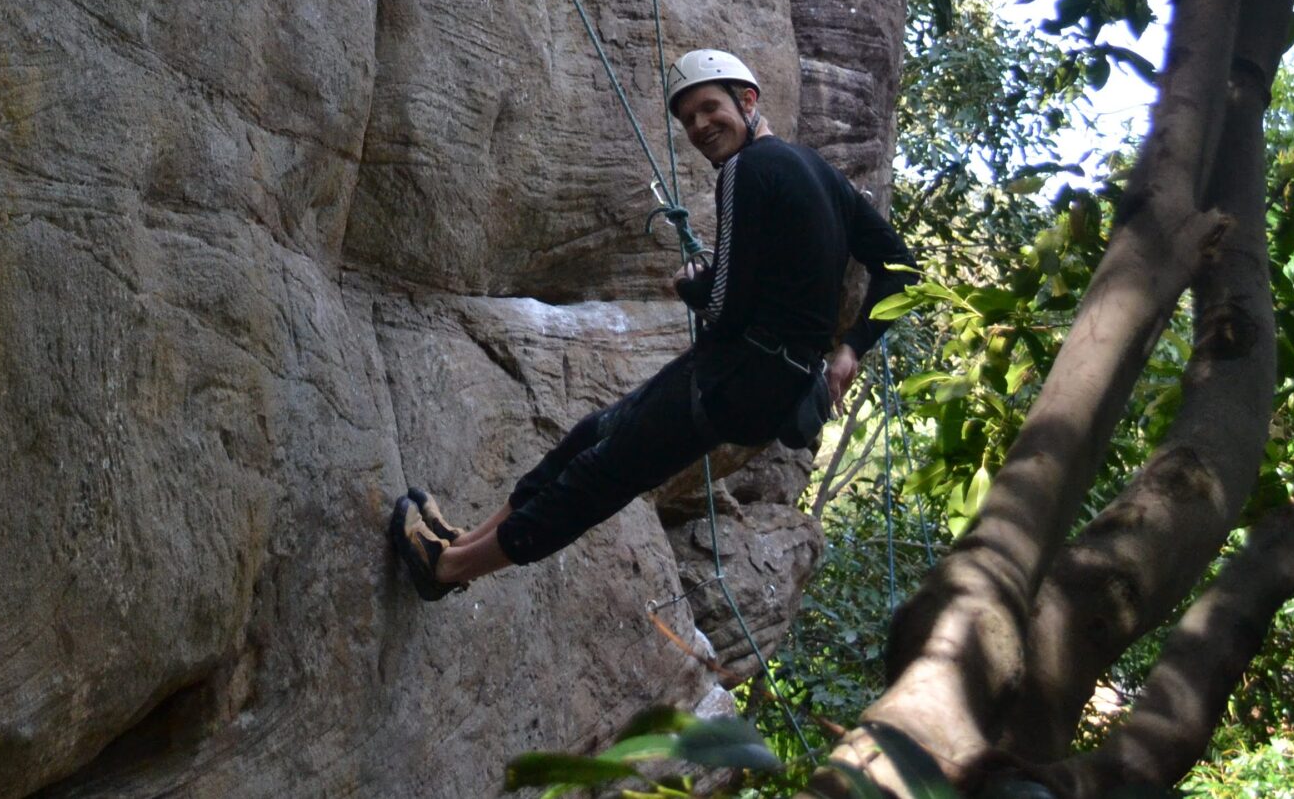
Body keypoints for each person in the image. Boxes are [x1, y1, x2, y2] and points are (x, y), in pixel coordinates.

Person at [387, 47, 916, 600]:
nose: (700, 127)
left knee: (603, 475)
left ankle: (446, 570)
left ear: (748, 101)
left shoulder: (745, 169)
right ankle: (463, 542)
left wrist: (690, 284)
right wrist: (852, 347)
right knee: (596, 434)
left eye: (710, 109)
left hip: (736, 375)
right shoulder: (822, 174)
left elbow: (723, 308)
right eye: (688, 120)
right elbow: (901, 268)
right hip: (764, 380)